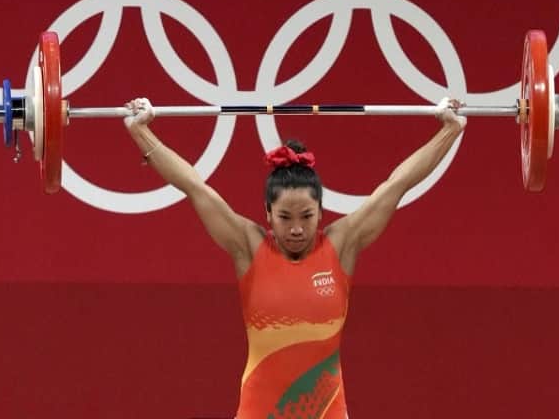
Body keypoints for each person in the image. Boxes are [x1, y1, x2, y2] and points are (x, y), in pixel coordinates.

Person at [123, 96, 466, 419]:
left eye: (307, 216)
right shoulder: (249, 247)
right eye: (285, 218)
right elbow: (193, 185)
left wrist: (449, 130)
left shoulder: (342, 245)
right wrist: (141, 130)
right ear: (268, 214)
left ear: (321, 212)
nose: (297, 228)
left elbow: (398, 183)